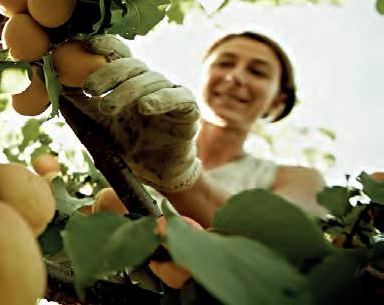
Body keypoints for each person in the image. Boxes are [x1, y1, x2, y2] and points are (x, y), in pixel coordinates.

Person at [63, 32, 327, 228]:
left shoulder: (297, 179)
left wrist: (181, 180)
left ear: (277, 101)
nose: (235, 77)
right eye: (224, 63)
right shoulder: (126, 145)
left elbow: (285, 242)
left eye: (257, 72)